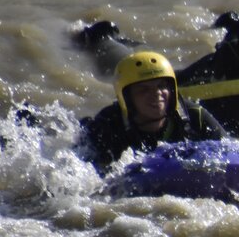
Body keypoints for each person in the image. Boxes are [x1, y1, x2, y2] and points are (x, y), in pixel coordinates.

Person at [77, 51, 225, 174]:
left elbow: (232, 152)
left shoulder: (194, 115)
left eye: (162, 86)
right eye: (144, 89)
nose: (156, 94)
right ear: (127, 98)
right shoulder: (107, 125)